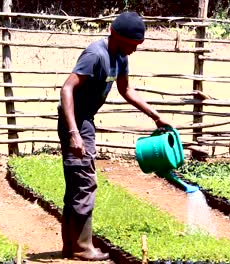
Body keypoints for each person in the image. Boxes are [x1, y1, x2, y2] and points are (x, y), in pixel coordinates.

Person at [57, 11, 172, 261]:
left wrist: (155, 116)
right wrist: (74, 133)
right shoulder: (95, 54)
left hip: (85, 119)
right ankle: (82, 248)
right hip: (76, 120)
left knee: (78, 182)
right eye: (132, 44)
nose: (134, 49)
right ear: (116, 36)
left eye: (137, 45)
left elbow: (126, 89)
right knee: (84, 181)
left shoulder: (121, 57)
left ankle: (71, 246)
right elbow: (67, 88)